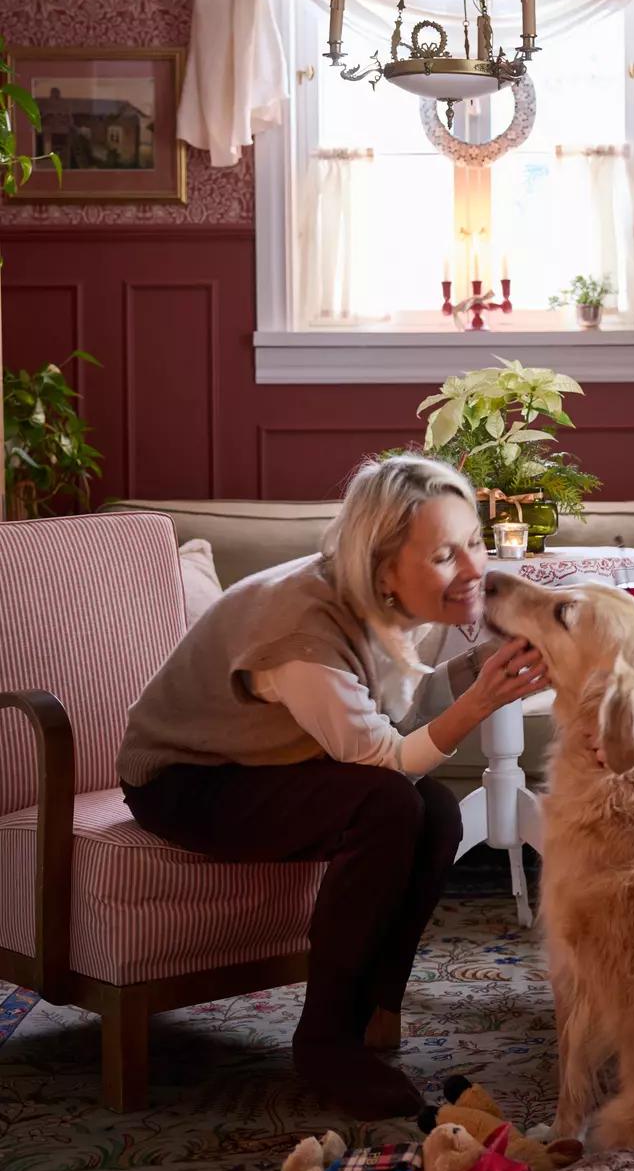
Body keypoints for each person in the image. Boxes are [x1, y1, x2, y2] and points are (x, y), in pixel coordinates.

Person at [118, 454, 548, 1119]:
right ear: (383, 568)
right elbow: (382, 756)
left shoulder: (386, 602)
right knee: (388, 804)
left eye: (474, 542)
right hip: (186, 777)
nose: (472, 569)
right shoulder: (303, 631)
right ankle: (324, 1040)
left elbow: (402, 711)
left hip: (273, 759)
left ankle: (378, 1004)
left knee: (435, 810)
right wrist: (482, 700)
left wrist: (484, 666)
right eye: (443, 554)